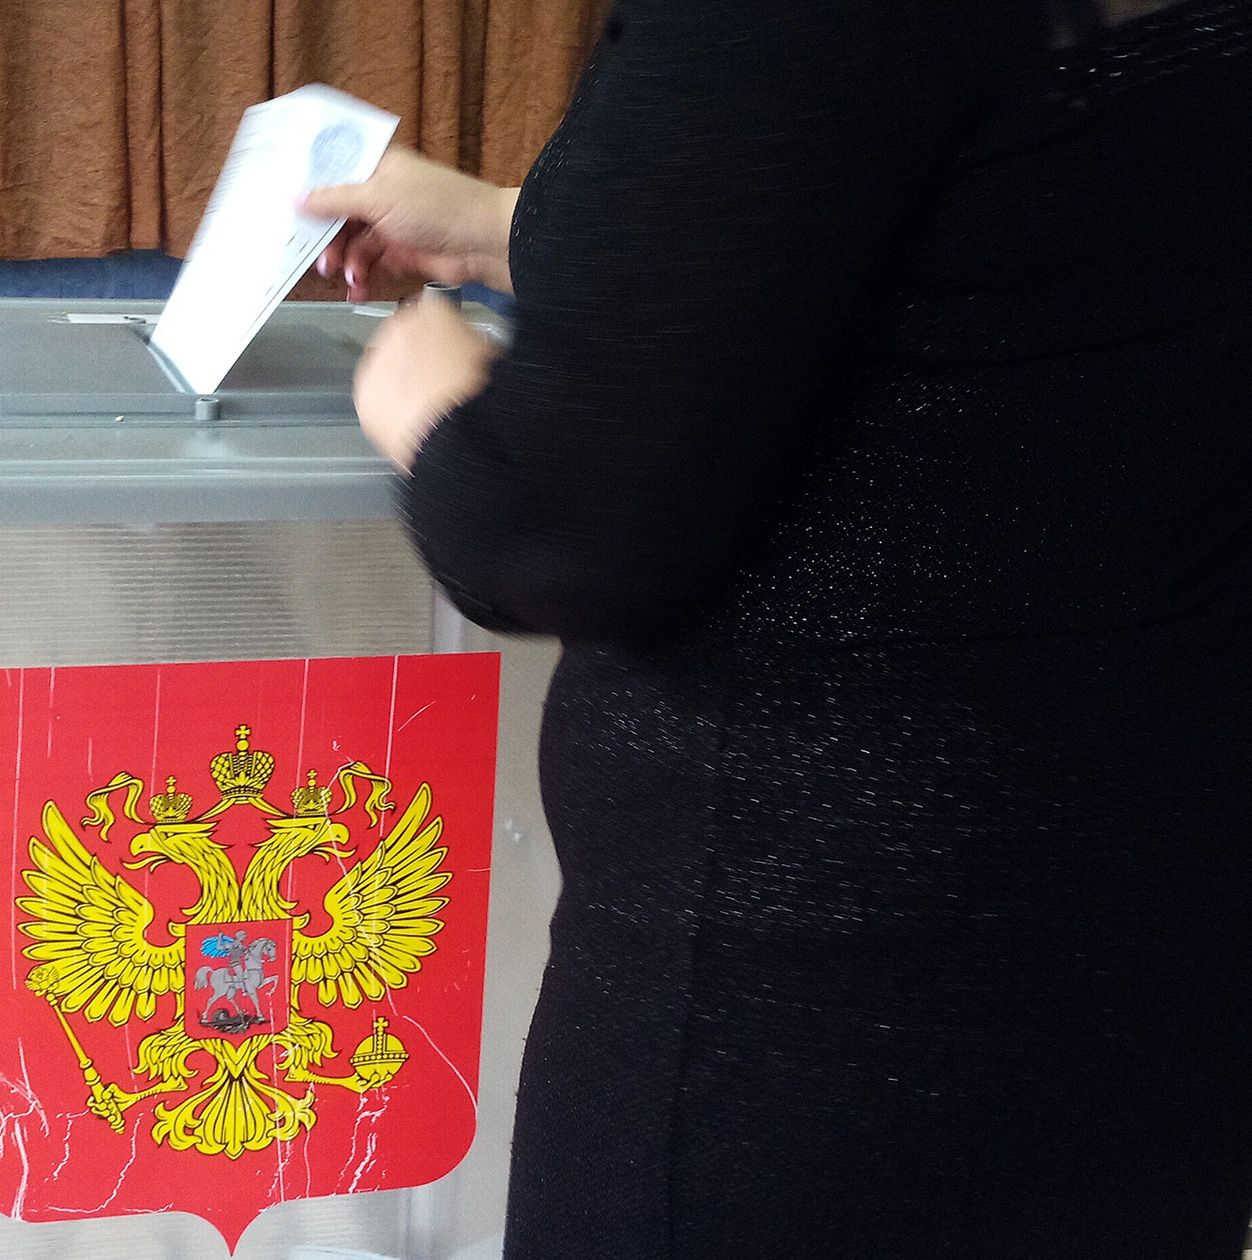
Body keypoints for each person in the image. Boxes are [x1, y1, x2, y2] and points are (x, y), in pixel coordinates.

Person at [304, 0, 1252, 1256]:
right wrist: (503, 226)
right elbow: (1024, 225)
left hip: (809, 1015)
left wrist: (428, 404)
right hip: (1154, 937)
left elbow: (561, 529)